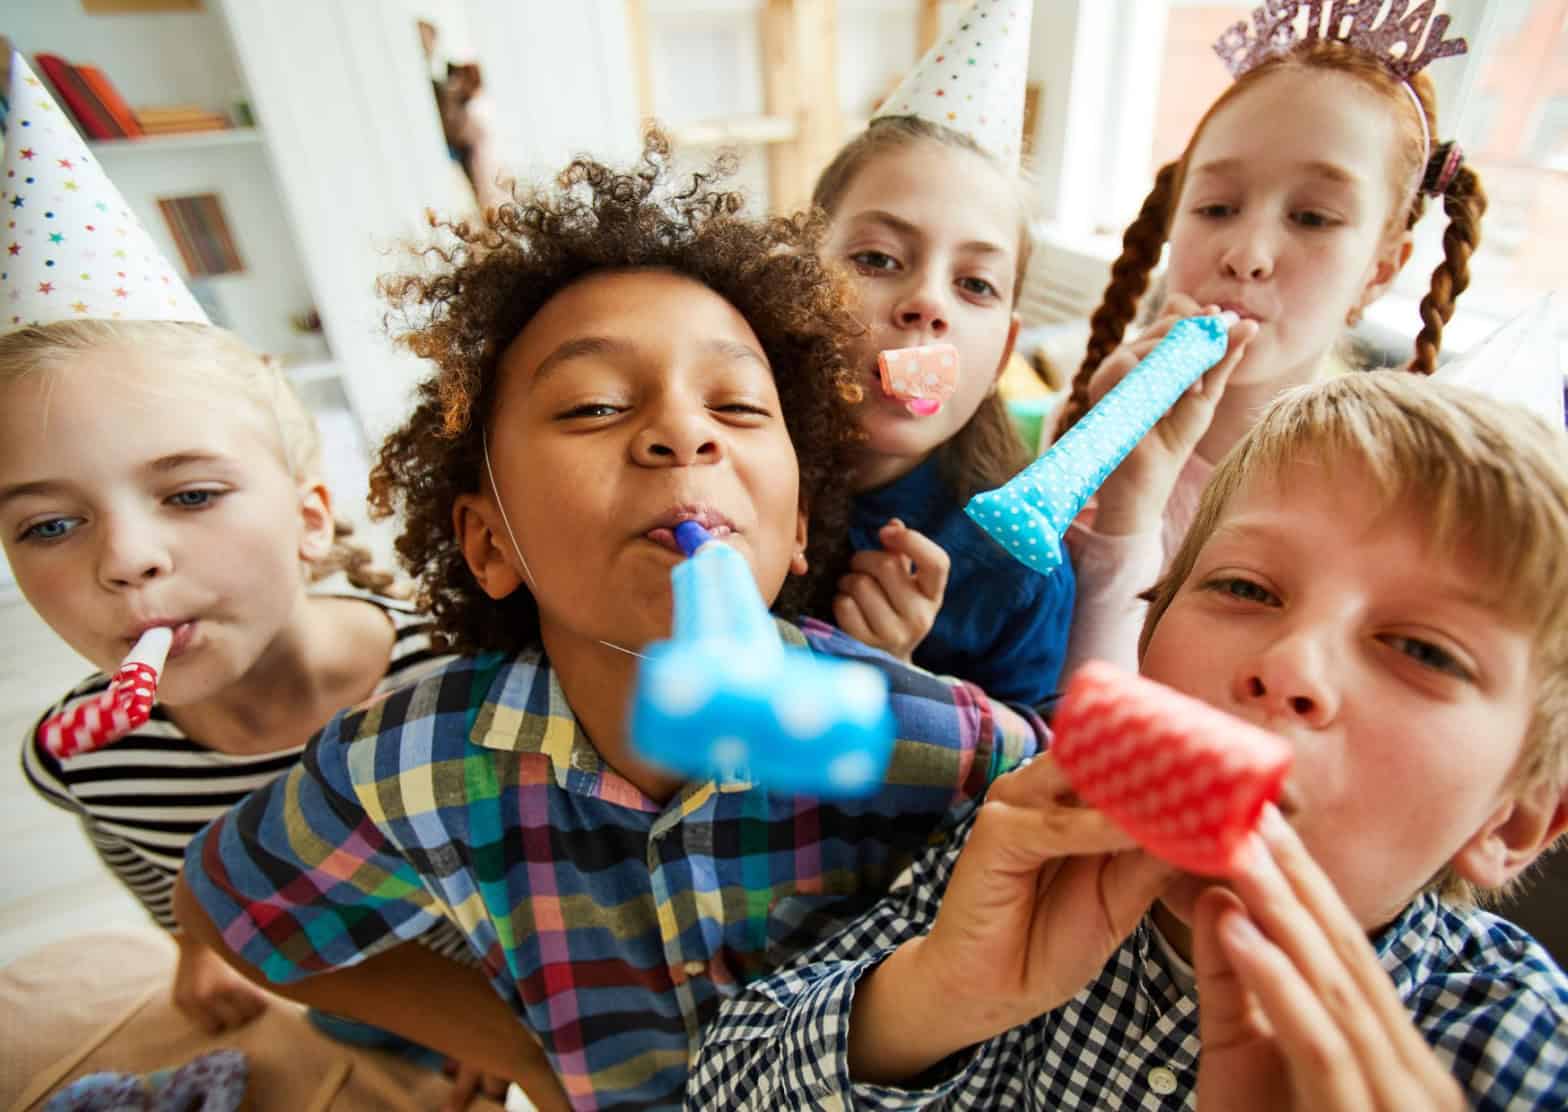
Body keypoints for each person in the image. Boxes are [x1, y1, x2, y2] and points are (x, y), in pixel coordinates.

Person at [172, 130, 1044, 1111]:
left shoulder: (926, 737)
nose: (683, 430)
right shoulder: (412, 764)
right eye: (591, 406)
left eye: (738, 408)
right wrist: (516, 1049)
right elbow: (225, 904)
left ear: (797, 524)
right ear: (488, 538)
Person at [689, 370, 1568, 1110]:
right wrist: (931, 998)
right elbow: (723, 1084)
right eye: (1248, 590)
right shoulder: (1025, 839)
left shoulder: (1519, 1047)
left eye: (1422, 651)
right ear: (1149, 649)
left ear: (1513, 822)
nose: (1290, 664)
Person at [0, 52, 467, 1049]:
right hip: (347, 1007)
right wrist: (193, 944)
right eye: (48, 522)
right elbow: (145, 858)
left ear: (308, 515)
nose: (126, 558)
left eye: (191, 493)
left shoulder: (461, 674)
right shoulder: (85, 760)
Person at [1058, 3, 1485, 677]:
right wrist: (1131, 500)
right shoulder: (1088, 434)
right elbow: (1064, 711)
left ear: (1379, 271)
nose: (1247, 254)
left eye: (1312, 217)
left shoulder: (1374, 503)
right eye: (1217, 209)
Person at [810, 0, 1080, 706]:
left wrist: (905, 686)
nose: (928, 303)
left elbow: (1020, 787)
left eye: (974, 284)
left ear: (1003, 354)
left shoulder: (1018, 567)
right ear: (794, 279)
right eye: (877, 257)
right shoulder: (716, 463)